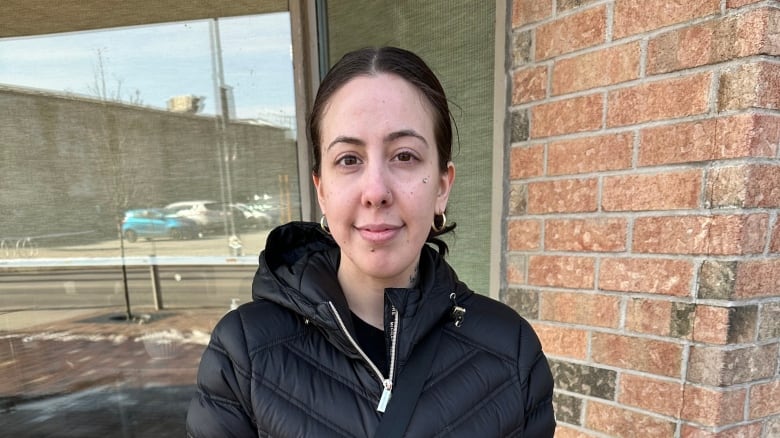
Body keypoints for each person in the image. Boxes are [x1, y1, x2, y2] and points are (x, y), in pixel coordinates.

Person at [186, 46, 555, 437]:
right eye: (349, 159)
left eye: (405, 156)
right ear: (322, 190)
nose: (376, 190)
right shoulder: (244, 353)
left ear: (443, 187)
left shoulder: (511, 352)